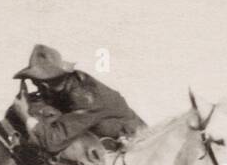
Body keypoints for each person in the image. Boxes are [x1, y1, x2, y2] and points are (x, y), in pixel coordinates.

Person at [13, 44, 145, 151]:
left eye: (37, 81)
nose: (37, 86)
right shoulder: (65, 86)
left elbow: (53, 141)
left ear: (45, 83)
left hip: (132, 146)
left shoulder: (84, 96)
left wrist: (25, 115)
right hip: (105, 144)